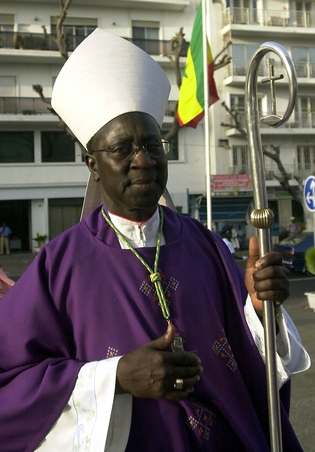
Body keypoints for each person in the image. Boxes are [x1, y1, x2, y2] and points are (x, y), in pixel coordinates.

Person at [0, 29, 310, 452]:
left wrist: (260, 309)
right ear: (93, 164)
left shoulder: (207, 246)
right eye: (122, 148)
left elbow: (252, 361)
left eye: (152, 144)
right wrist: (116, 377)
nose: (142, 159)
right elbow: (13, 384)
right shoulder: (59, 266)